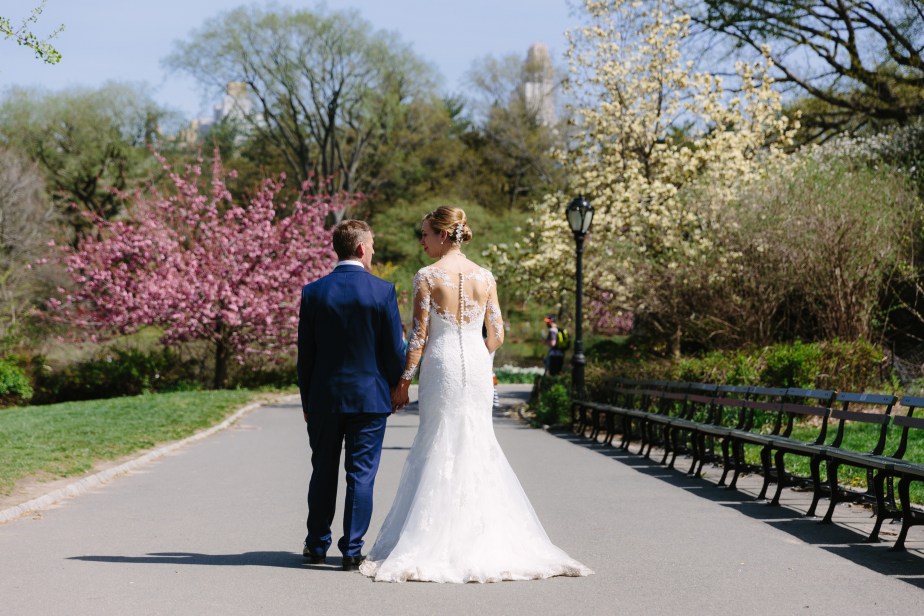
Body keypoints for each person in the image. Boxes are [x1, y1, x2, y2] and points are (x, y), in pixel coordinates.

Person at [361, 206, 593, 583]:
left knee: (438, 441)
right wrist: (479, 355)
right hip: (476, 364)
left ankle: (435, 539)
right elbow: (497, 333)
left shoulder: (427, 276)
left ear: (442, 234)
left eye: (425, 234)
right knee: (477, 441)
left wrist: (404, 380)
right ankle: (486, 536)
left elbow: (418, 337)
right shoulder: (485, 276)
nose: (421, 240)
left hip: (442, 363)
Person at [297, 219, 406, 571]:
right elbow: (393, 351)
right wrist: (396, 385)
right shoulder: (382, 291)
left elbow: (306, 355)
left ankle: (316, 545)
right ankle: (352, 549)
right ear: (361, 248)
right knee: (361, 474)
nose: (373, 250)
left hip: (324, 399)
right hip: (370, 399)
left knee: (323, 471)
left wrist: (307, 402)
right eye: (372, 244)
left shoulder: (313, 292)